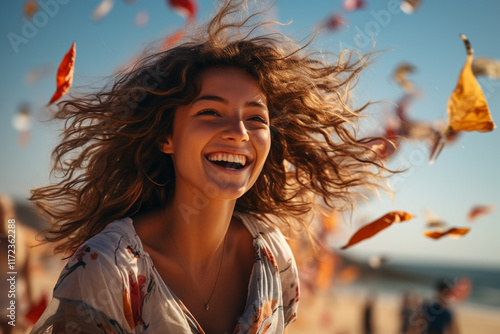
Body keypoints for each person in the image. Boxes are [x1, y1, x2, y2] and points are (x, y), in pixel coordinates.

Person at [29, 0, 390, 333]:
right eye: (210, 112)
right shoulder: (107, 269)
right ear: (165, 137)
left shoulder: (273, 256)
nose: (238, 133)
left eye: (255, 118)